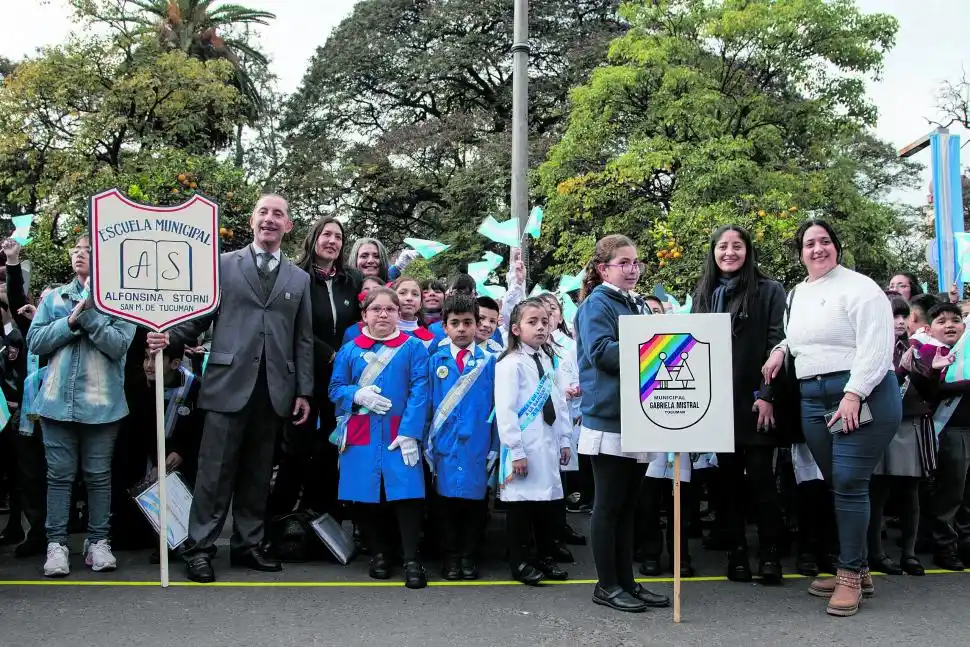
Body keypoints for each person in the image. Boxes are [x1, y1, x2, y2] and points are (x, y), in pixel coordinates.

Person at [146, 194, 314, 584]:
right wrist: (168, 337)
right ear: (252, 221)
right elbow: (197, 317)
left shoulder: (299, 278)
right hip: (226, 384)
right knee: (214, 473)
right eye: (263, 212)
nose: (270, 219)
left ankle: (247, 545)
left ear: (288, 225)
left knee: (258, 473)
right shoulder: (221, 264)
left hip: (275, 389)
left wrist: (303, 391)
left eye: (278, 214)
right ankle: (200, 548)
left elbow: (302, 339)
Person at [762, 219, 900, 617]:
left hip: (861, 395)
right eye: (809, 243)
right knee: (838, 484)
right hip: (812, 399)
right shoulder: (797, 293)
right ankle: (858, 566)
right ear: (800, 253)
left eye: (824, 241)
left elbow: (877, 345)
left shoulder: (861, 288)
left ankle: (850, 575)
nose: (817, 249)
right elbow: (800, 336)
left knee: (849, 482)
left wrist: (854, 394)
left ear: (836, 247)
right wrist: (780, 350)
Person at [27, 235, 136, 577]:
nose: (79, 254)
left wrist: (88, 316)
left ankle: (98, 541)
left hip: (103, 407)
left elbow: (118, 345)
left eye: (87, 250)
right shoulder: (55, 297)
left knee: (98, 476)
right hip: (56, 403)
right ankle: (56, 544)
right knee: (58, 477)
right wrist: (70, 322)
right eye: (75, 250)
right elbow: (35, 341)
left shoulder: (121, 298)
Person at [574, 234, 669, 613]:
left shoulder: (636, 304)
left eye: (636, 262)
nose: (633, 269)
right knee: (609, 505)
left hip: (637, 414)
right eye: (624, 263)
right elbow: (601, 353)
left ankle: (626, 581)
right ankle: (607, 584)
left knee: (629, 506)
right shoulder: (596, 304)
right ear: (603, 269)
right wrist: (655, 348)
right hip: (609, 417)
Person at [691, 225, 787, 583]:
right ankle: (737, 554)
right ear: (713, 252)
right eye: (722, 246)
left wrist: (767, 395)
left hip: (757, 401)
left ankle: (770, 554)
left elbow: (777, 344)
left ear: (748, 251)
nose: (729, 252)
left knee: (762, 480)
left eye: (737, 246)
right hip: (719, 404)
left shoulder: (769, 290)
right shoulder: (704, 293)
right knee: (727, 485)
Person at [329, 287, 430, 588]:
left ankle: (411, 558)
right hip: (361, 428)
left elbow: (420, 390)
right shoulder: (350, 350)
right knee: (366, 493)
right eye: (376, 309)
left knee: (407, 494)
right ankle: (380, 554)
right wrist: (356, 394)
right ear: (364, 315)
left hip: (400, 430)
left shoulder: (413, 347)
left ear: (399, 314)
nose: (383, 314)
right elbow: (335, 388)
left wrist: (410, 432)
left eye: (389, 309)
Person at [270, 216, 362, 521]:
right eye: (327, 235)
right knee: (295, 450)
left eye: (338, 237)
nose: (332, 241)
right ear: (314, 238)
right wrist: (329, 354)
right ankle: (278, 520)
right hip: (304, 378)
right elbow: (293, 325)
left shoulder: (351, 280)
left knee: (330, 449)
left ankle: (319, 520)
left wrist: (346, 357)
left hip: (341, 380)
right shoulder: (296, 276)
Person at [495, 298, 572, 586]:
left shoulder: (548, 359)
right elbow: (506, 410)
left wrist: (565, 439)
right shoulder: (510, 364)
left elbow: (559, 403)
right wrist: (516, 450)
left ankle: (544, 557)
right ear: (516, 329)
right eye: (532, 322)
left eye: (544, 322)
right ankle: (520, 561)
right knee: (521, 508)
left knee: (546, 505)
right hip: (524, 446)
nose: (541, 327)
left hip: (547, 442)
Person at [426, 294, 496, 581]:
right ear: (444, 327)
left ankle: (469, 555)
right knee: (445, 503)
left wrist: (495, 445)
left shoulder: (490, 362)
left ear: (477, 325)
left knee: (475, 503)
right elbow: (427, 404)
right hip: (445, 443)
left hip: (477, 443)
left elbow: (498, 407)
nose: (462, 329)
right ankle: (450, 556)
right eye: (455, 323)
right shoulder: (435, 361)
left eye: (468, 322)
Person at [865, 297, 928, 576]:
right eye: (894, 316)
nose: (900, 322)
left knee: (910, 490)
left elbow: (930, 391)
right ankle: (875, 552)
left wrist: (927, 371)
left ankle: (909, 553)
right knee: (877, 490)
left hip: (910, 423)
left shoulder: (918, 346)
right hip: (879, 424)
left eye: (904, 316)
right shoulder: (870, 346)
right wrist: (900, 370)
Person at [905, 302, 970, 571]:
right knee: (949, 493)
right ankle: (945, 546)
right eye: (942, 321)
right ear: (929, 329)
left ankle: (965, 543)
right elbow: (932, 390)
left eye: (955, 320)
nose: (950, 325)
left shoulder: (966, 351)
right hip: (949, 430)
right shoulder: (927, 351)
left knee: (967, 495)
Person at [392, 277, 436, 349]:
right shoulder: (380, 331)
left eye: (415, 294)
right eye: (402, 293)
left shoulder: (429, 340)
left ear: (420, 304)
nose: (409, 298)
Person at [347, 238, 417, 282]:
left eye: (377, 256)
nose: (370, 260)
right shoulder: (345, 288)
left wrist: (398, 267)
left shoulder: (394, 289)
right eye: (364, 256)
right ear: (355, 259)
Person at [341, 276, 385, 346]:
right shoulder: (352, 332)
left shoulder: (397, 328)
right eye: (366, 289)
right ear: (360, 303)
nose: (371, 292)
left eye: (376, 288)